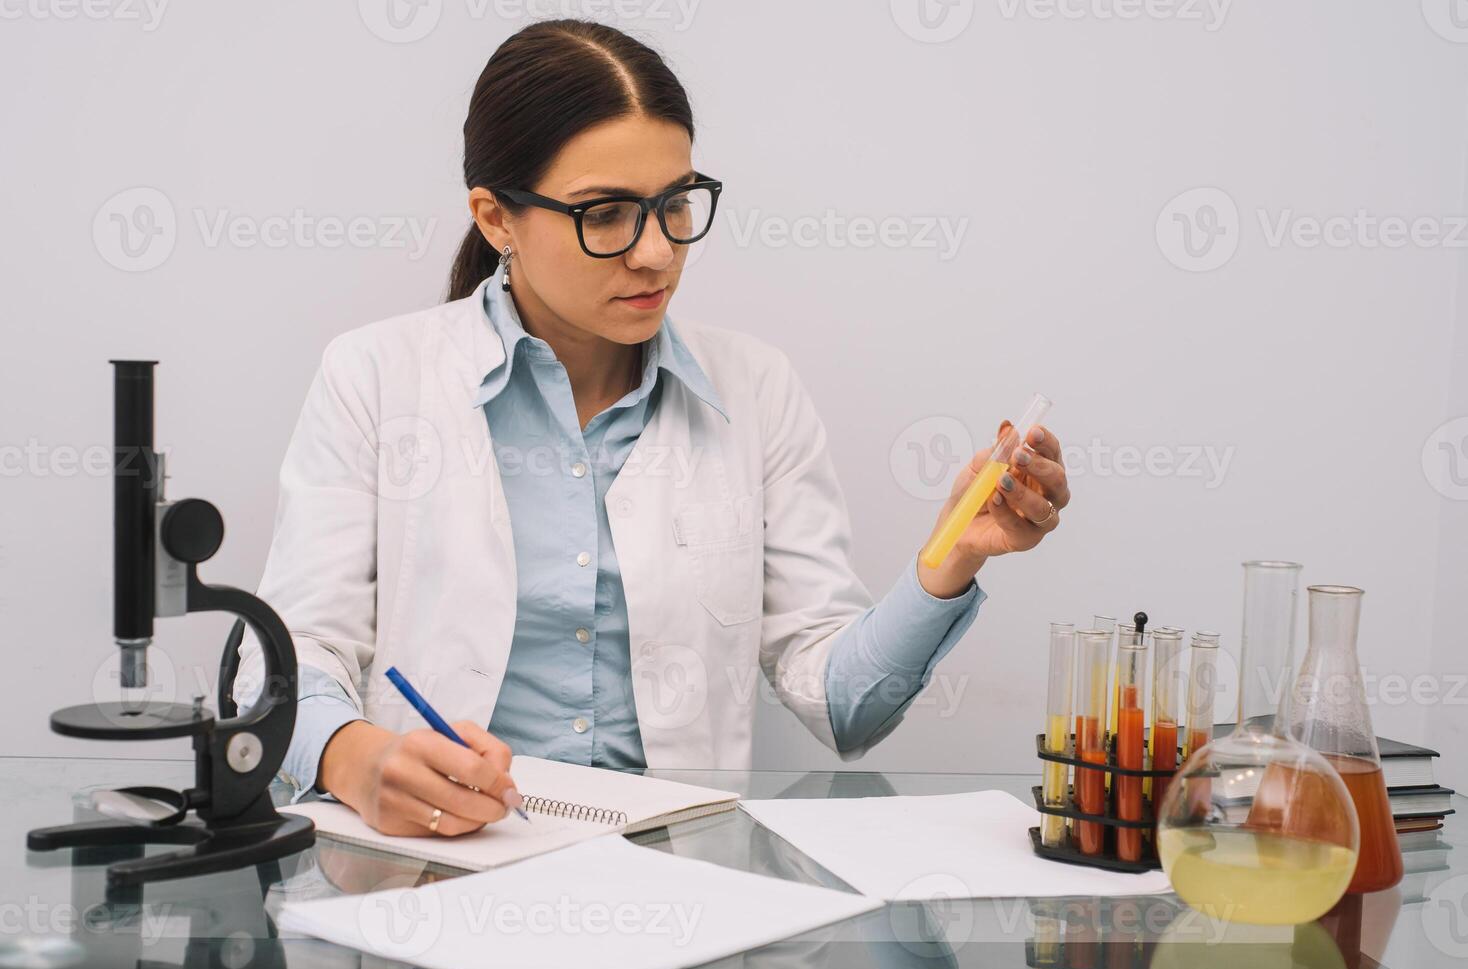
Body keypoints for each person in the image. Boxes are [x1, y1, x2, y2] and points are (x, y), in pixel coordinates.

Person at [234, 19, 1070, 838]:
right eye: (606, 214)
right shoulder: (375, 378)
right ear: (495, 219)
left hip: (678, 886)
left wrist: (950, 558)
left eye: (675, 204)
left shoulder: (757, 389)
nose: (657, 254)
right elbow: (288, 657)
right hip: (448, 865)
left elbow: (841, 708)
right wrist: (355, 757)